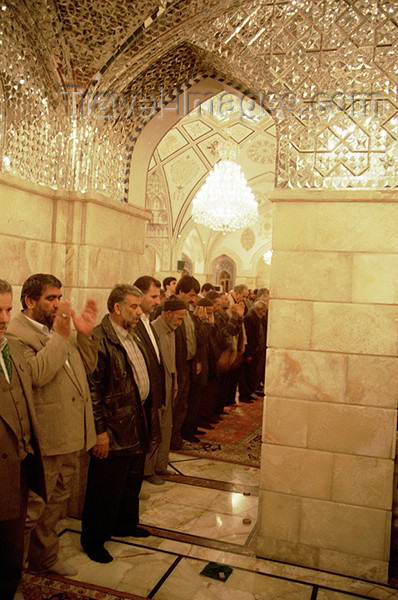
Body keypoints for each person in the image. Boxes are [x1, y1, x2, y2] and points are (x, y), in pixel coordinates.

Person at [8, 273, 98, 577]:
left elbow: (88, 366)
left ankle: (44, 560)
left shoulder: (56, 329)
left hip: (70, 435)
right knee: (33, 510)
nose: (58, 304)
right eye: (50, 298)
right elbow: (35, 376)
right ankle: (13, 575)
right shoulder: (16, 333)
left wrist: (84, 334)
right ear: (30, 301)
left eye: (60, 297)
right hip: (46, 439)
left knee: (56, 505)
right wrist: (61, 337)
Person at [80, 284, 150, 564]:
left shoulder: (134, 335)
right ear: (117, 308)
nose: (139, 311)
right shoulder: (100, 338)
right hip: (113, 426)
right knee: (104, 489)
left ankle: (124, 525)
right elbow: (93, 390)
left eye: (139, 306)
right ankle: (94, 539)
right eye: (134, 306)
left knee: (131, 482)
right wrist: (100, 433)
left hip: (136, 420)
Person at [0, 279, 46, 600]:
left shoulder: (12, 347)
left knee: (11, 549)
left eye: (6, 309)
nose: (4, 319)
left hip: (20, 467)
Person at [133, 276, 165, 486]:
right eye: (153, 296)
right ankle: (141, 476)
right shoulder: (134, 325)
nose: (157, 301)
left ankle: (145, 473)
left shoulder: (147, 321)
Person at [151, 297, 187, 475]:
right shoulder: (153, 330)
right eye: (179, 318)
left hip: (170, 384)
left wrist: (175, 383)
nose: (180, 323)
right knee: (155, 429)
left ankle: (161, 465)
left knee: (166, 427)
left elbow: (173, 360)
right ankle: (150, 470)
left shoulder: (173, 331)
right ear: (167, 314)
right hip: (157, 387)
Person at [239, 300, 268, 403]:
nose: (264, 314)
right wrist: (249, 354)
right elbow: (250, 337)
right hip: (250, 351)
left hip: (256, 350)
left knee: (252, 373)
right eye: (263, 311)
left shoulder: (256, 317)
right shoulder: (250, 317)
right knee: (247, 373)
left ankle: (250, 391)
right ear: (258, 309)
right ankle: (245, 394)